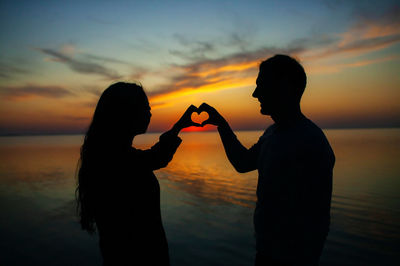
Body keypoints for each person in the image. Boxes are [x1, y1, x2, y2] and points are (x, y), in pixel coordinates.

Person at [199, 55, 335, 265]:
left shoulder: (311, 142)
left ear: (284, 87)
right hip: (266, 253)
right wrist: (221, 124)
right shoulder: (272, 133)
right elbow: (243, 163)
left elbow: (316, 217)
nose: (255, 94)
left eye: (262, 85)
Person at [75, 82, 199, 266]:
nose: (149, 113)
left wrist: (179, 126)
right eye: (145, 108)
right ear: (125, 112)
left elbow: (153, 158)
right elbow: (154, 159)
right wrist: (179, 126)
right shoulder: (116, 161)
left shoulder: (111, 156)